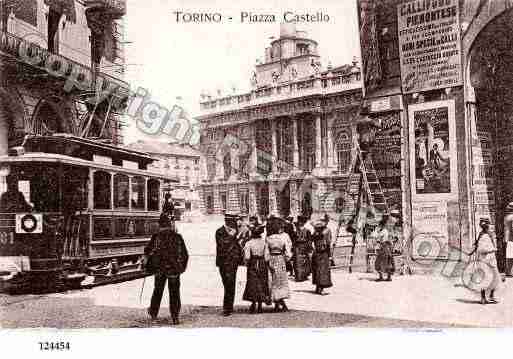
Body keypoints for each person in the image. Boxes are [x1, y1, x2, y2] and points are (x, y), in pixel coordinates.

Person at [144, 213, 189, 325]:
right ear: (170, 225)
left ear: (160, 225)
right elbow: (185, 254)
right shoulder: (177, 237)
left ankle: (153, 314)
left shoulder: (156, 236)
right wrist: (181, 268)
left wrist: (149, 264)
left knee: (157, 291)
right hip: (174, 270)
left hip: (160, 269)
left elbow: (147, 251)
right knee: (174, 293)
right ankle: (175, 317)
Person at [215, 212, 243, 316]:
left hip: (232, 262)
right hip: (223, 262)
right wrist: (232, 236)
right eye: (233, 221)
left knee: (231, 283)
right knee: (227, 283)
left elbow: (237, 247)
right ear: (228, 221)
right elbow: (222, 245)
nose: (235, 223)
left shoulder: (235, 231)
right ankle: (228, 306)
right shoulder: (220, 232)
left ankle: (228, 307)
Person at [242, 225, 271, 313]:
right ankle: (260, 305)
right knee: (262, 282)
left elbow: (247, 257)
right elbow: (267, 257)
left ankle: (253, 303)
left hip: (253, 263)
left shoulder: (249, 243)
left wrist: (247, 264)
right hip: (262, 263)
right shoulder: (264, 243)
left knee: (252, 283)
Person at [266, 216, 292, 312]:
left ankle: (277, 303)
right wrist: (286, 259)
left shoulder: (268, 238)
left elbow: (266, 252)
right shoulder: (283, 238)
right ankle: (281, 302)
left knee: (273, 281)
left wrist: (267, 261)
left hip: (271, 259)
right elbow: (288, 252)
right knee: (281, 281)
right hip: (280, 259)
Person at [472, 218, 500, 305]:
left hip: (491, 260)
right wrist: (493, 249)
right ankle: (483, 298)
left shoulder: (488, 235)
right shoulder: (483, 236)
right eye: (490, 228)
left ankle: (491, 296)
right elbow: (481, 249)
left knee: (495, 278)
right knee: (485, 279)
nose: (492, 230)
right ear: (486, 227)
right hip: (485, 260)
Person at [311, 219, 333, 294]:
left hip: (316, 253)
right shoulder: (326, 233)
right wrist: (330, 255)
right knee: (323, 271)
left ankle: (317, 287)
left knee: (317, 270)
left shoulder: (315, 234)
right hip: (323, 253)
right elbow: (328, 244)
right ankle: (321, 288)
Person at [373, 215, 395, 281]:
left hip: (385, 247)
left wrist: (378, 240)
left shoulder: (384, 231)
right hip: (384, 247)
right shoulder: (383, 230)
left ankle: (386, 277)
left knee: (384, 262)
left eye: (380, 225)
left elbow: (380, 238)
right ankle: (384, 276)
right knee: (383, 262)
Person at [293, 215, 312, 282]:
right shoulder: (295, 231)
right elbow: (293, 239)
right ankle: (299, 276)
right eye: (299, 222)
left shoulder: (307, 231)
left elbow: (309, 240)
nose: (300, 223)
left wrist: (309, 248)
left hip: (304, 246)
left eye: (301, 222)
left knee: (305, 261)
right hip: (297, 246)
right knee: (297, 261)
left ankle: (304, 275)